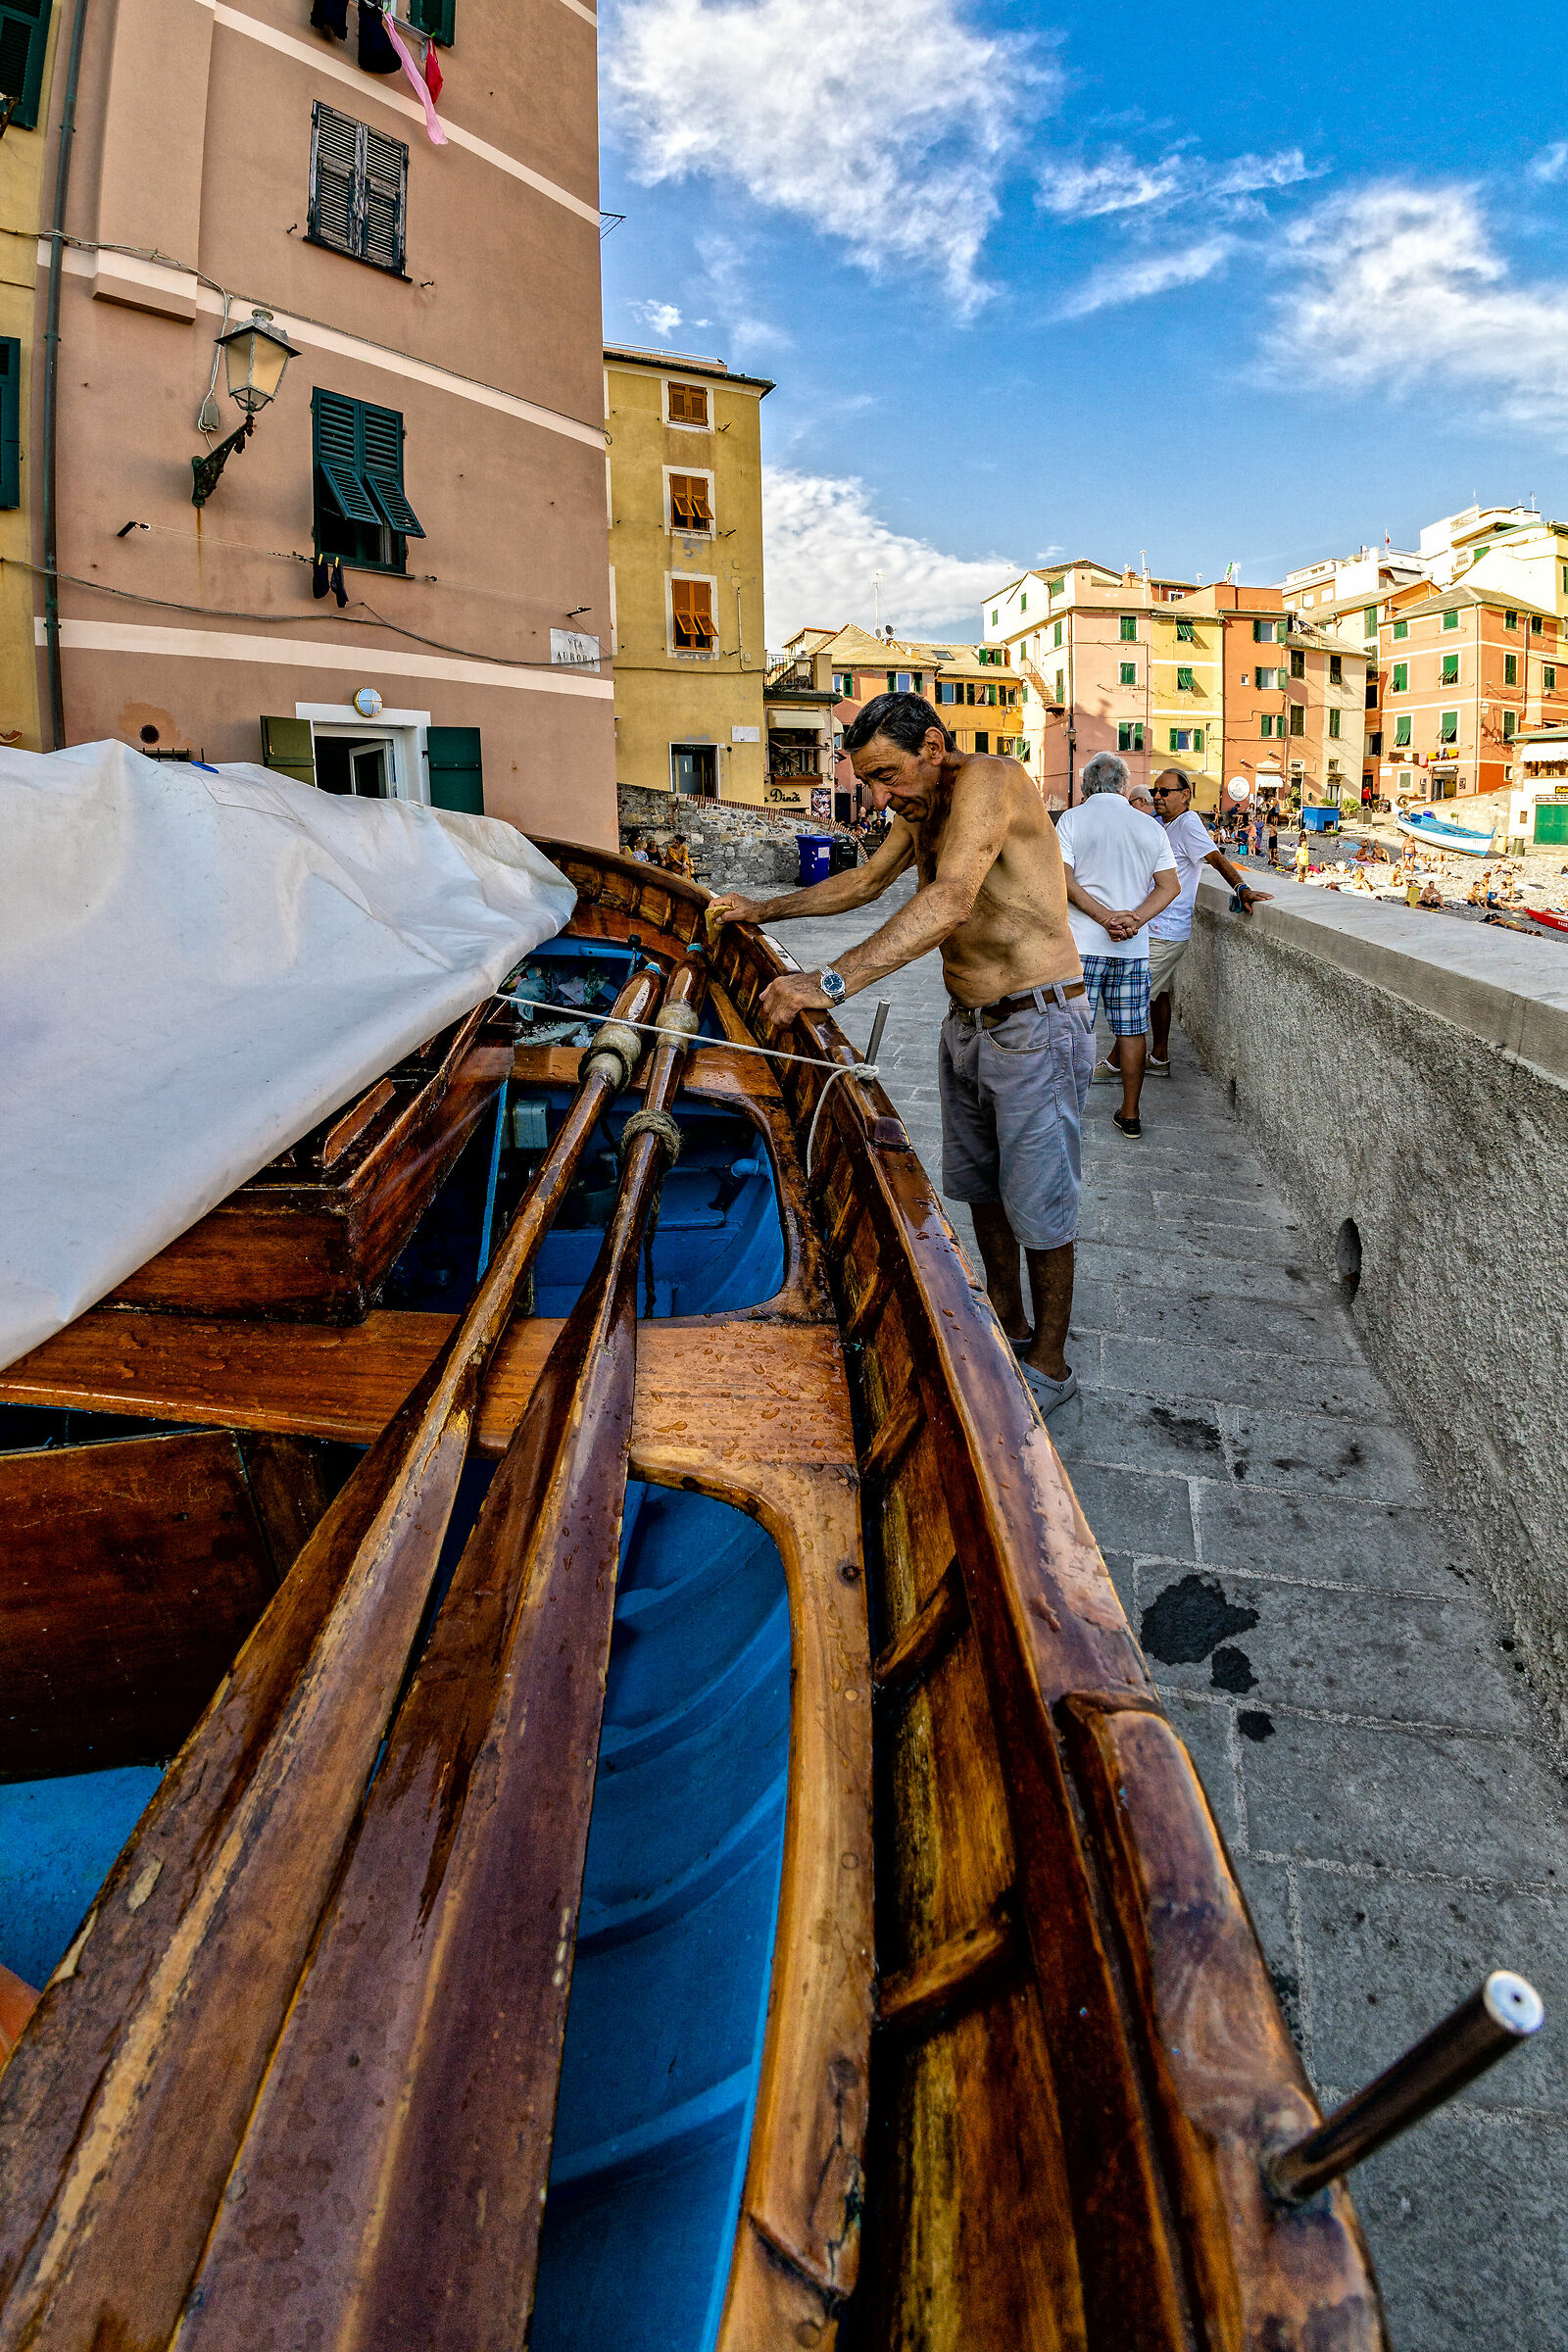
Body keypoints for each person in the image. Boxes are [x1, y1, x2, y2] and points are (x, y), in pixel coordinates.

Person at [707, 691, 1093, 1418]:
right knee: (981, 1191)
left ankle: (1051, 1363)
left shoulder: (993, 780)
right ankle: (1008, 1330)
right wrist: (763, 908)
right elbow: (863, 882)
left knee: (1041, 1202)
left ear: (935, 748)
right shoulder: (919, 809)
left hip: (1036, 1023)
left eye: (888, 775)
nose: (882, 795)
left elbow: (951, 900)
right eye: (870, 782)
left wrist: (829, 982)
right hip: (970, 1024)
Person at [1054, 752, 1179, 1140]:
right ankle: (1130, 1113)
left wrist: (1103, 918)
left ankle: (1066, 1111)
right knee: (1131, 1030)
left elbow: (1065, 881)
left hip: (1084, 945)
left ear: (1086, 785)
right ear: (1124, 786)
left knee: (1075, 1030)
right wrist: (1134, 919)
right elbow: (1169, 886)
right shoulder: (1149, 827)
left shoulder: (1072, 820)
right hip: (1133, 948)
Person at [1136, 769, 1268, 1075]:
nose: (1157, 796)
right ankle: (1159, 1057)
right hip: (1155, 925)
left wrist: (1242, 888)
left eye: (1165, 792)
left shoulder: (1188, 824)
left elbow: (1216, 858)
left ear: (1185, 795)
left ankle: (1116, 1064)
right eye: (1155, 791)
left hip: (1166, 931)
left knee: (1133, 1001)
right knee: (1159, 996)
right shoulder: (1164, 825)